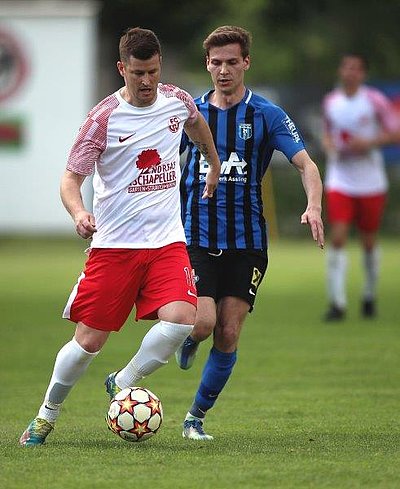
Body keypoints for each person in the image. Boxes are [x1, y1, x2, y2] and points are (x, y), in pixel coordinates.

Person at [19, 27, 221, 447]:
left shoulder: (177, 102)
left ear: (159, 65)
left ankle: (124, 381)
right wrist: (79, 212)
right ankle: (46, 415)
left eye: (151, 71)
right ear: (121, 69)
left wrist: (213, 163)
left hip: (166, 242)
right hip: (114, 247)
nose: (145, 82)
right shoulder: (103, 118)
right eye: (136, 73)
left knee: (184, 319)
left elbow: (198, 127)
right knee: (88, 342)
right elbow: (71, 177)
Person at [175, 25, 324, 440]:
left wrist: (313, 205)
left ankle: (194, 419)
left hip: (248, 244)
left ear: (246, 63)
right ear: (207, 64)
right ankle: (189, 339)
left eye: (231, 63)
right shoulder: (189, 114)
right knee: (203, 323)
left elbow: (307, 166)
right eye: (216, 63)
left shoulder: (266, 115)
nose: (223, 71)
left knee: (228, 331)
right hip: (196, 237)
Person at [322, 53, 400, 321]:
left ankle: (368, 295)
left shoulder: (374, 100)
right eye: (346, 67)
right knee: (339, 236)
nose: (350, 72)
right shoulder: (332, 101)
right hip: (341, 178)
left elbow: (395, 132)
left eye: (355, 68)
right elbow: (327, 134)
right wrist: (331, 146)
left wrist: (368, 143)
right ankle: (337, 302)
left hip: (370, 181)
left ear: (363, 74)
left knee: (368, 241)